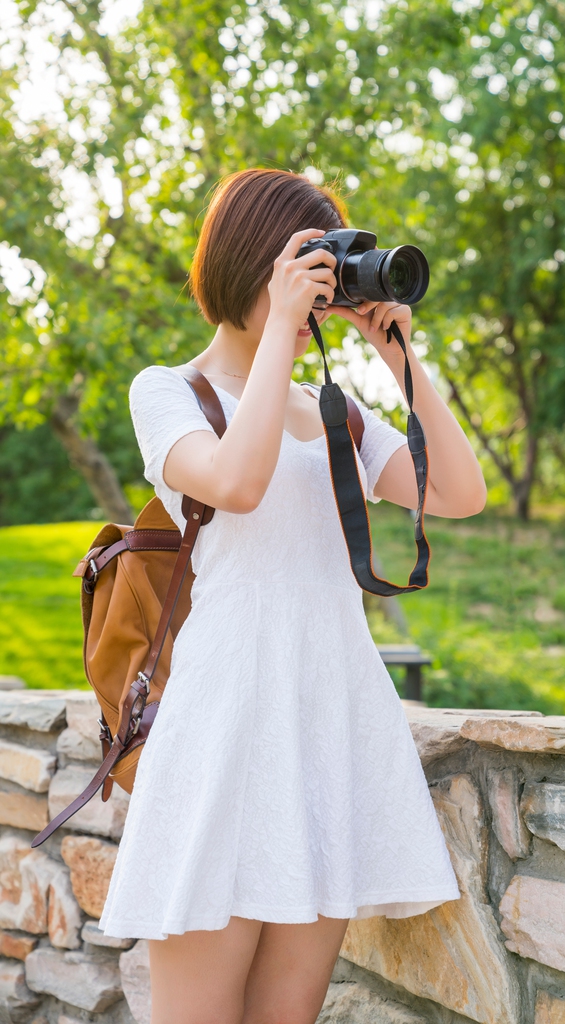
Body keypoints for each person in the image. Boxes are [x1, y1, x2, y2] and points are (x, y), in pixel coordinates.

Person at [98, 168, 487, 1024]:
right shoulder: (169, 392)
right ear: (253, 262)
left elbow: (460, 492)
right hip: (225, 735)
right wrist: (280, 326)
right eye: (307, 261)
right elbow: (237, 482)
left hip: (328, 732)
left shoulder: (331, 408)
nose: (320, 286)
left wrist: (397, 355)